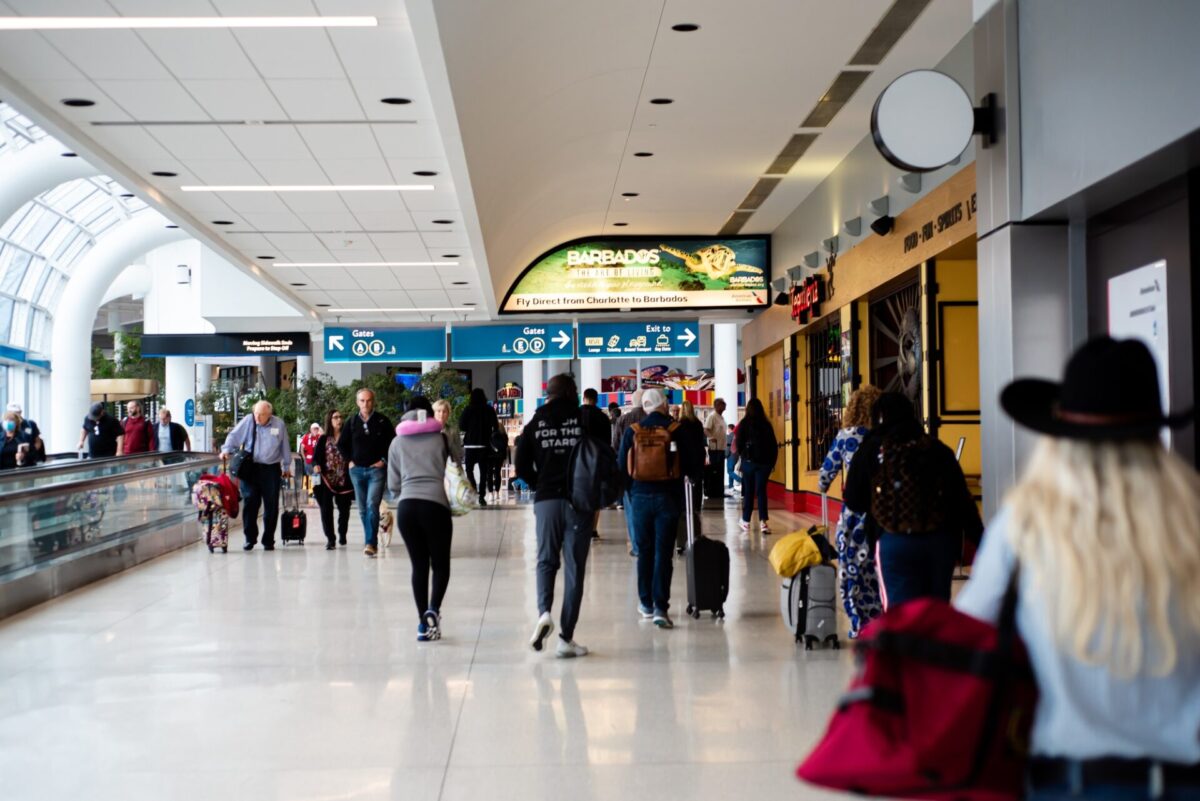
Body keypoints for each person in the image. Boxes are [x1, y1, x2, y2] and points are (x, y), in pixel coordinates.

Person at [955, 337, 1200, 799]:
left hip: (1066, 784)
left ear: (1060, 435)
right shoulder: (1189, 522)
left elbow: (969, 634)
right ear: (1153, 433)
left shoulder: (1023, 527)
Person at [843, 392, 981, 607]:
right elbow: (962, 501)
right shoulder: (936, 448)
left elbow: (853, 500)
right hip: (939, 541)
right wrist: (981, 542)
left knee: (900, 617)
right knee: (937, 610)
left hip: (892, 540)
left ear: (878, 417)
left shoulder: (871, 449)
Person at [515, 374, 609, 658]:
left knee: (545, 560)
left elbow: (520, 465)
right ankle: (566, 638)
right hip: (577, 502)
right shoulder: (583, 421)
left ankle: (544, 612)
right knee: (574, 569)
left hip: (546, 500)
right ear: (570, 392)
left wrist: (538, 483)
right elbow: (597, 456)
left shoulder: (535, 423)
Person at [618, 388, 701, 629]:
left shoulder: (633, 431)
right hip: (668, 498)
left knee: (644, 551)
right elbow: (693, 462)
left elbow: (621, 465)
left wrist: (630, 492)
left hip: (640, 497)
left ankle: (644, 603)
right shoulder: (675, 430)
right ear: (664, 405)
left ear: (644, 407)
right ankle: (660, 608)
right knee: (663, 553)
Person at [816, 384, 882, 639]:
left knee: (852, 570)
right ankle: (883, 619)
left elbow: (825, 475)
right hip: (885, 514)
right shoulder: (884, 437)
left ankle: (859, 624)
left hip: (854, 515)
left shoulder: (847, 436)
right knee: (879, 569)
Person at [387, 396, 455, 642]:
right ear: (429, 413)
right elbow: (456, 464)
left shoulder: (396, 443)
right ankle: (433, 609)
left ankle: (421, 624)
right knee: (440, 564)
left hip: (407, 509)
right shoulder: (441, 439)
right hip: (436, 506)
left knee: (419, 565)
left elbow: (393, 485)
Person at [221, 400, 293, 551]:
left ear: (269, 414)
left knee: (271, 506)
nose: (257, 417)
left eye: (261, 415)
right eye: (256, 413)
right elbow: (234, 436)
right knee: (250, 504)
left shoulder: (278, 424)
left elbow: (284, 446)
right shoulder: (249, 420)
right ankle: (250, 538)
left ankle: (268, 540)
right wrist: (226, 449)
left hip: (271, 470)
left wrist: (286, 466)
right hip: (251, 469)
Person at [337, 388, 395, 557]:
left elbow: (393, 444)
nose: (365, 403)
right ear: (357, 402)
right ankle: (370, 537)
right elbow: (342, 444)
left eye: (368, 400)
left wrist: (383, 460)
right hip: (357, 471)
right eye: (362, 400)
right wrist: (350, 460)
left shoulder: (383, 421)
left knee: (372, 504)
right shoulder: (352, 421)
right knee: (362, 509)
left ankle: (370, 542)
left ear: (373, 401)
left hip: (376, 471)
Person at [734, 398, 778, 534]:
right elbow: (773, 445)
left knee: (748, 492)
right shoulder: (766, 424)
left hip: (749, 463)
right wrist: (772, 463)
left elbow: (739, 443)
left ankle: (746, 521)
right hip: (764, 464)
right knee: (761, 491)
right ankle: (763, 522)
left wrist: (743, 456)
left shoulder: (744, 424)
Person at [612, 389, 647, 556]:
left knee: (632, 510)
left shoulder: (623, 420)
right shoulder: (651, 419)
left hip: (630, 471)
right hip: (652, 470)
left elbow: (616, 446)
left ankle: (637, 547)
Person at [312, 409, 353, 550]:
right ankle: (331, 538)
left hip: (344, 479)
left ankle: (342, 534)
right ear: (330, 420)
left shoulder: (348, 437)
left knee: (344, 510)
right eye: (336, 417)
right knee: (326, 510)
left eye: (341, 417)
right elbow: (316, 458)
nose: (339, 420)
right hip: (326, 479)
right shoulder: (323, 438)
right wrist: (316, 465)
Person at [674, 400, 707, 554]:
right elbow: (701, 445)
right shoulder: (698, 424)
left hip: (682, 468)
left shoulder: (678, 426)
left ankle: (681, 542)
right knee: (694, 506)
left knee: (682, 507)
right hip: (696, 467)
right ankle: (696, 538)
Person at [580, 387, 613, 540]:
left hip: (578, 461)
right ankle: (593, 529)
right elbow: (607, 443)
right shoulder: (603, 418)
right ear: (596, 399)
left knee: (579, 493)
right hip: (597, 461)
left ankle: (581, 527)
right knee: (595, 495)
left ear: (584, 398)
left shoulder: (575, 414)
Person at [459, 388, 500, 506]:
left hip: (470, 445)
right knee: (484, 472)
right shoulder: (489, 409)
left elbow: (462, 426)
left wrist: (471, 429)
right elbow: (496, 427)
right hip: (484, 445)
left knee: (469, 470)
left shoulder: (467, 410)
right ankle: (482, 496)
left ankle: (473, 489)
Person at [702, 398, 729, 499]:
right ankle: (713, 492)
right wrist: (710, 437)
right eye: (723, 404)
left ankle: (720, 491)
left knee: (720, 471)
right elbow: (706, 429)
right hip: (714, 449)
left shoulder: (721, 418)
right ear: (717, 405)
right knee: (715, 471)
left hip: (721, 448)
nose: (725, 406)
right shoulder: (712, 416)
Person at [432, 398, 463, 465]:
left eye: (444, 411)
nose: (441, 414)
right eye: (438, 411)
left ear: (448, 413)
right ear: (433, 413)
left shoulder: (453, 430)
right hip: (433, 467)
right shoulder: (428, 430)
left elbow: (459, 451)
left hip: (450, 466)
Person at [299, 423, 322, 498]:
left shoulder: (320, 437)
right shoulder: (306, 437)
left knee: (316, 475)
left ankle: (317, 492)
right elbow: (302, 448)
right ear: (311, 429)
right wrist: (304, 458)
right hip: (308, 460)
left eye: (317, 429)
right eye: (314, 429)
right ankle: (309, 492)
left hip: (317, 461)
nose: (316, 430)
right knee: (308, 475)